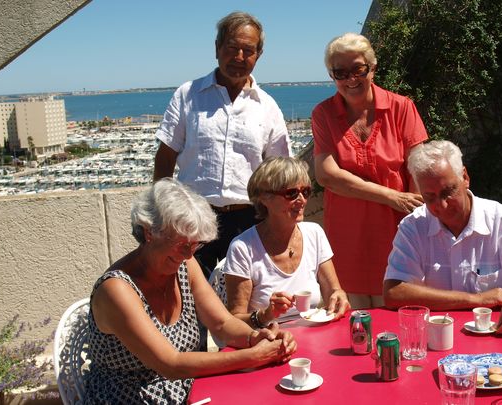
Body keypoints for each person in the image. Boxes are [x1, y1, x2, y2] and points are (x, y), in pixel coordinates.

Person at [84, 178, 296, 404]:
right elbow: (170, 364)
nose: (188, 254)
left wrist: (255, 337)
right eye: (181, 244)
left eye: (195, 245)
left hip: (192, 391)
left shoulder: (184, 264)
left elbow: (222, 323)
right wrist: (252, 356)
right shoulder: (116, 290)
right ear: (149, 232)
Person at [383, 140, 502, 334]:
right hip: (437, 343)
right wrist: (477, 299)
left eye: (448, 192)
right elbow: (393, 293)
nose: (441, 205)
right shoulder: (414, 226)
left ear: (465, 177)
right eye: (429, 197)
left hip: (499, 345)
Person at [153, 11, 291, 277]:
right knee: (188, 298)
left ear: (258, 55)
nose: (239, 57)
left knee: (241, 300)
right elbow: (166, 155)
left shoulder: (268, 106)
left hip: (248, 221)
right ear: (217, 49)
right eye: (232, 48)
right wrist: (160, 213)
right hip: (193, 218)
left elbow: (279, 170)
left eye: (248, 50)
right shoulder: (187, 95)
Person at [311, 33, 428, 308]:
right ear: (332, 76)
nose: (350, 79)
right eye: (340, 72)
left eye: (358, 69)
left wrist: (418, 228)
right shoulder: (324, 114)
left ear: (372, 68)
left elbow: (420, 169)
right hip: (348, 239)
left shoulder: (401, 108)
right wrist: (392, 197)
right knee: (357, 328)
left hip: (398, 237)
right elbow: (327, 175)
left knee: (399, 322)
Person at [223, 157, 350, 327]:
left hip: (313, 337)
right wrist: (265, 315)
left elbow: (333, 291)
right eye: (291, 193)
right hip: (268, 341)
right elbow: (233, 321)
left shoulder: (314, 233)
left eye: (305, 192)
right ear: (264, 198)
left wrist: (339, 296)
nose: (302, 200)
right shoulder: (243, 248)